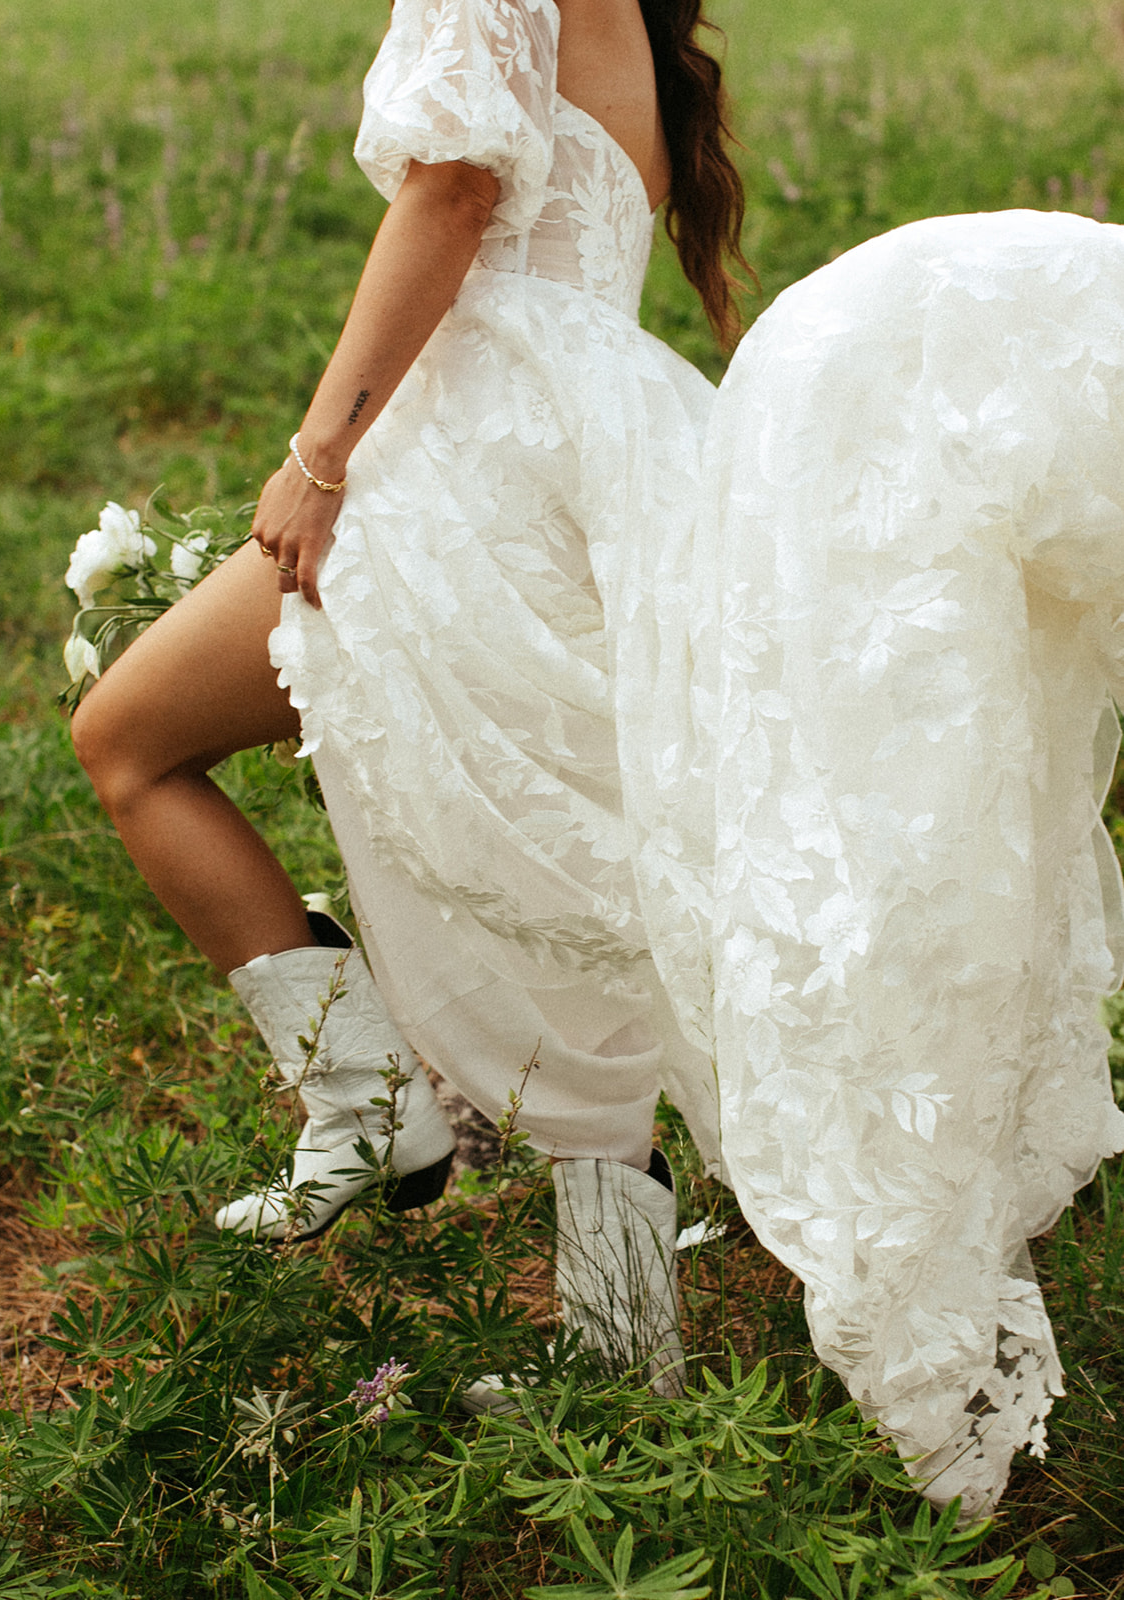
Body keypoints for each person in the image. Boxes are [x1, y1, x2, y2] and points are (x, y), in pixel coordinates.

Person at [70, 0, 1124, 1521]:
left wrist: (318, 459)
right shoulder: (626, 10)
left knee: (127, 736)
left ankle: (361, 1096)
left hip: (479, 447)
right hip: (602, 436)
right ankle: (622, 1341)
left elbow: (451, 195)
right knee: (595, 879)